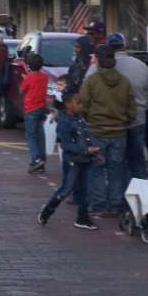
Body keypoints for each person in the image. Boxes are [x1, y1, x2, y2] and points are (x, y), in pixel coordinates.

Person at [85, 33, 148, 181]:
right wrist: (142, 107)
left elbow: (85, 97)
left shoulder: (95, 68)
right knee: (137, 160)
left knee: (114, 163)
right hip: (137, 119)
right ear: (125, 45)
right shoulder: (140, 65)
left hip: (109, 123)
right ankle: (140, 197)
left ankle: (117, 196)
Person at [79, 44, 136, 217]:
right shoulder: (125, 82)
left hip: (97, 131)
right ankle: (116, 204)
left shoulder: (91, 81)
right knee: (116, 170)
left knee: (96, 169)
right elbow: (132, 110)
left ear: (98, 61)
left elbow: (83, 105)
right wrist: (122, 121)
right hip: (119, 132)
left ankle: (99, 204)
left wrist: (92, 120)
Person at [37, 90, 102, 231]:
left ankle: (82, 218)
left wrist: (94, 152)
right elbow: (66, 145)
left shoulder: (80, 118)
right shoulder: (64, 123)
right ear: (68, 105)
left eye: (81, 103)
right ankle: (47, 210)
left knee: (86, 190)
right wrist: (86, 150)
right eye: (78, 103)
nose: (81, 106)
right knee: (66, 189)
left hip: (86, 160)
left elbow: (87, 137)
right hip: (73, 161)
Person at [20, 52, 49, 173]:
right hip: (42, 107)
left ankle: (36, 159)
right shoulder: (45, 76)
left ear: (29, 66)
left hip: (31, 108)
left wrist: (24, 78)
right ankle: (42, 160)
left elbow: (21, 91)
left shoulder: (28, 78)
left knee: (31, 136)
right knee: (40, 135)